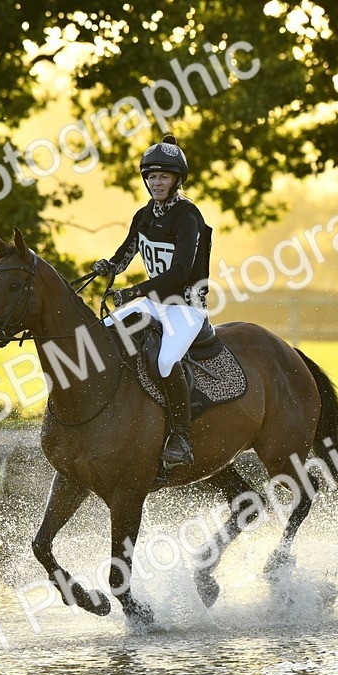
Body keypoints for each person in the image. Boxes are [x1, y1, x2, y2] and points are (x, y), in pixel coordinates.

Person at [93, 134, 213, 467]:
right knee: (101, 333)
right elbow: (124, 255)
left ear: (176, 180)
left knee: (164, 361)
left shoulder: (188, 217)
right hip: (152, 302)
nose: (156, 182)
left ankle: (181, 438)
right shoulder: (144, 214)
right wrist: (108, 267)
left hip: (185, 307)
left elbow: (179, 274)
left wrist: (133, 292)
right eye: (151, 176)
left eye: (163, 176)